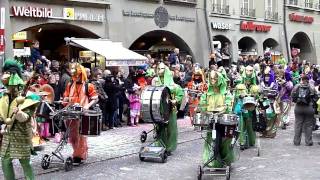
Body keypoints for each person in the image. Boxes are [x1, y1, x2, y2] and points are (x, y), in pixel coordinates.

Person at [0, 59, 40, 180]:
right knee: (5, 161)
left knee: (25, 163)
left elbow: (25, 118)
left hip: (22, 134)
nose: (4, 76)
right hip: (8, 134)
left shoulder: (28, 97)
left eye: (7, 73)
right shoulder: (4, 96)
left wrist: (19, 112)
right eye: (4, 72)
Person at [199, 69, 235, 168]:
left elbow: (228, 105)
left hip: (223, 121)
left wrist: (223, 109)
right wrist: (204, 108)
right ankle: (213, 161)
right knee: (211, 140)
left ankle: (225, 159)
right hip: (211, 120)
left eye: (215, 78)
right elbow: (202, 104)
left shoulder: (226, 94)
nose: (213, 80)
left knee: (224, 140)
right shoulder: (207, 94)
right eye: (211, 78)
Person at [63, 63, 98, 164]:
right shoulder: (70, 85)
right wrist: (65, 99)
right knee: (73, 136)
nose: (75, 78)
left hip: (82, 114)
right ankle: (76, 152)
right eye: (74, 76)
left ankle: (79, 156)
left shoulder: (88, 86)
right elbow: (65, 97)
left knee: (81, 136)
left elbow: (95, 98)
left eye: (77, 76)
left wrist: (87, 106)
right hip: (71, 113)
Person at [152, 62, 184, 155]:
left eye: (161, 69)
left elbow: (180, 93)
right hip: (159, 109)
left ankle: (169, 147)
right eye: (158, 69)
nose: (159, 71)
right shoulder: (155, 81)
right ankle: (160, 145)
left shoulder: (173, 84)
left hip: (171, 109)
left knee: (171, 129)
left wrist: (176, 100)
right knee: (159, 128)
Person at [291, 74, 317, 146]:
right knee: (308, 125)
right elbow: (316, 96)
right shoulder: (312, 87)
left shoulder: (297, 86)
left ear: (301, 79)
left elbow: (292, 96)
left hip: (298, 108)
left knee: (298, 124)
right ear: (308, 80)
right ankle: (308, 142)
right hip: (309, 107)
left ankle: (296, 142)